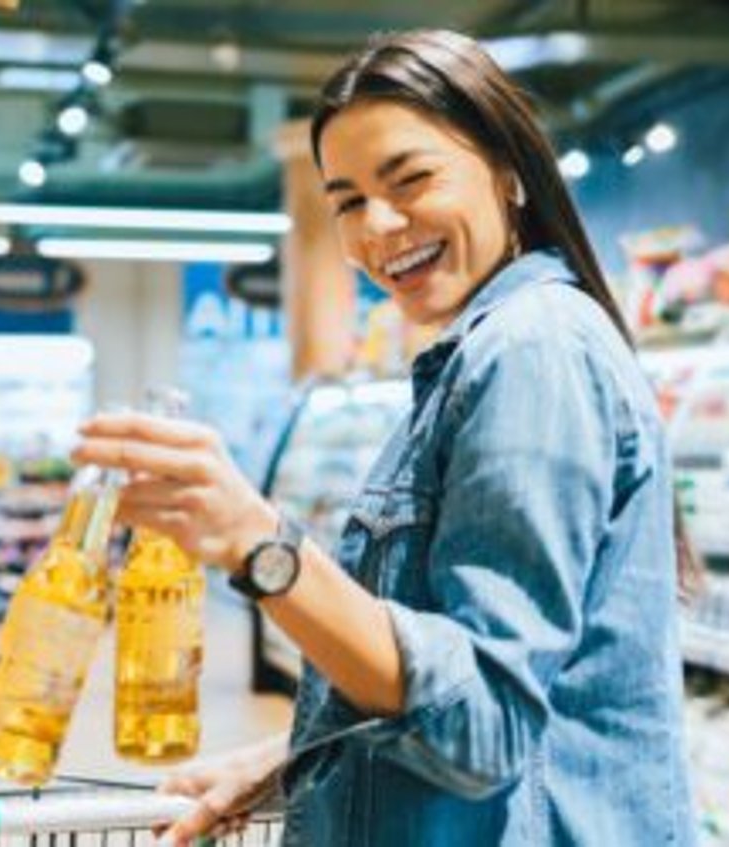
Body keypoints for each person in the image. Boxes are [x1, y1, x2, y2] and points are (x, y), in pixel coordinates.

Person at [73, 28, 697, 847]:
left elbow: (487, 721)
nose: (381, 225)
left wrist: (262, 545)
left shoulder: (531, 351)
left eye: (412, 178)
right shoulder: (484, 353)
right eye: (347, 201)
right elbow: (482, 693)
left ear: (508, 172)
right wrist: (295, 753)